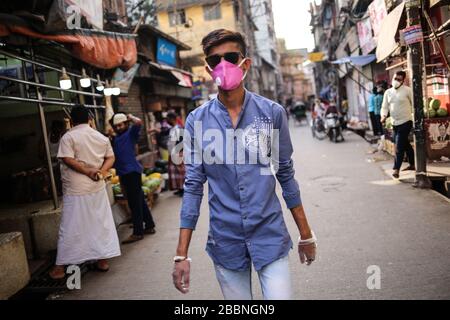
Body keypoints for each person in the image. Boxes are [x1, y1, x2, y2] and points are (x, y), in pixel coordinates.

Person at [172, 29, 316, 300]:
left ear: (245, 63)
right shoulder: (196, 121)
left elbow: (285, 175)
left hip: (269, 236)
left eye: (230, 57)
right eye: (215, 60)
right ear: (208, 69)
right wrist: (181, 254)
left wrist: (306, 235)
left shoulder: (271, 114)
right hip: (225, 241)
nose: (223, 65)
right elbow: (192, 187)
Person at [49, 106, 120, 279]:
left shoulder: (68, 136)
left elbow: (66, 158)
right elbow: (111, 157)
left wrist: (89, 172)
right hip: (97, 187)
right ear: (89, 119)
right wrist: (102, 172)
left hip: (76, 189)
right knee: (99, 223)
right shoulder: (100, 136)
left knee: (71, 226)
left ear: (72, 121)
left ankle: (59, 268)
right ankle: (102, 261)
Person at [110, 113, 156, 244]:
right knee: (139, 200)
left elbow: (139, 122)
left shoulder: (130, 134)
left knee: (134, 203)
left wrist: (130, 117)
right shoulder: (116, 138)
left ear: (125, 124)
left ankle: (137, 232)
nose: (118, 127)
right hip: (124, 173)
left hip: (131, 173)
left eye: (121, 125)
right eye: (116, 126)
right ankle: (149, 225)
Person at [381, 71, 415, 179]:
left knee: (399, 146)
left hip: (406, 121)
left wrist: (415, 116)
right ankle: (413, 164)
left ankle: (396, 169)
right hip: (395, 123)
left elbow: (414, 103)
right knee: (405, 144)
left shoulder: (407, 90)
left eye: (399, 79)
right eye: (395, 78)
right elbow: (385, 107)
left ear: (403, 80)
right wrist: (383, 116)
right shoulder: (388, 92)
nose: (396, 81)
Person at [167, 111, 185, 197]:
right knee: (175, 174)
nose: (167, 121)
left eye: (168, 119)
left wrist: (181, 152)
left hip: (178, 154)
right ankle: (179, 188)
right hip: (172, 154)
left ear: (172, 119)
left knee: (180, 173)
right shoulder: (172, 129)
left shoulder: (179, 129)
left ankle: (183, 189)